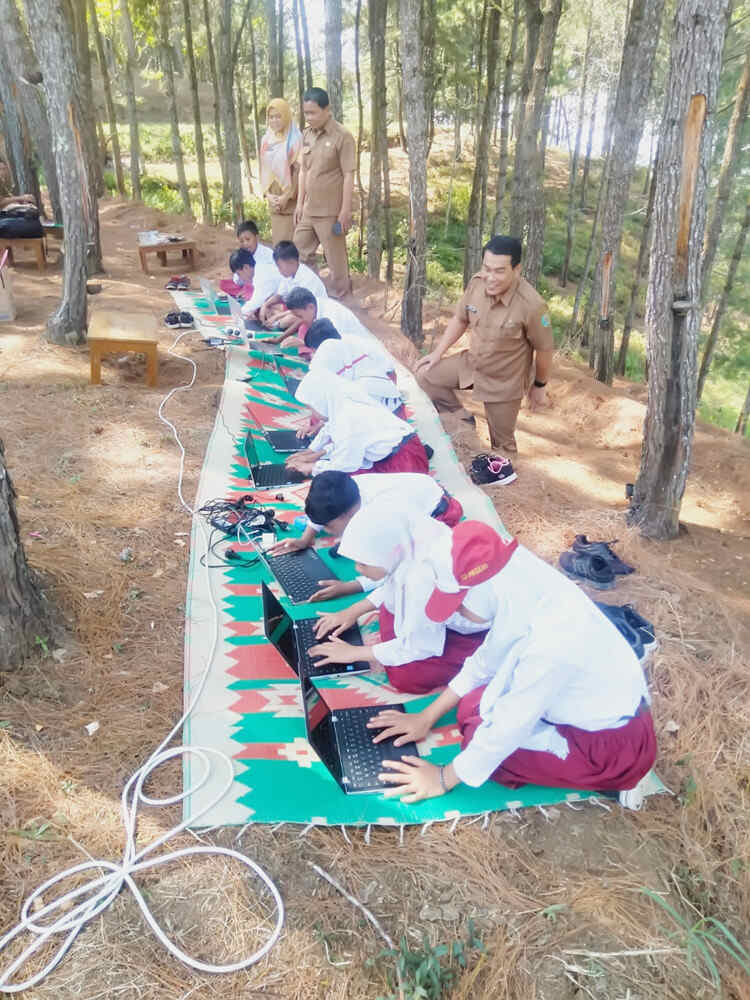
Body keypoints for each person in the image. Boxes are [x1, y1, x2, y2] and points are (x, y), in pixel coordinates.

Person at [367, 522, 657, 808]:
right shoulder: (516, 581)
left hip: (610, 748)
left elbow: (510, 725)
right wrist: (426, 717)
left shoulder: (551, 643)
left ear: (480, 589)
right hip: (582, 710)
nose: (460, 613)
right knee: (471, 708)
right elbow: (485, 661)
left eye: (459, 603)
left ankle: (614, 783)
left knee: (480, 746)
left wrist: (443, 777)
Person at [308, 506, 489, 693]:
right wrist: (353, 610)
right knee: (391, 612)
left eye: (363, 562)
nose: (357, 570)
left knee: (406, 676)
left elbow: (420, 646)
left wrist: (355, 653)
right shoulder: (407, 538)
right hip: (444, 606)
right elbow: (394, 579)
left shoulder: (421, 579)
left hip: (479, 627)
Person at [415, 236, 554, 456]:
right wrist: (437, 353)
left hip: (505, 383)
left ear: (516, 269)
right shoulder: (477, 284)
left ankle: (503, 482)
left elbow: (545, 348)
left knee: (502, 449)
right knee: (425, 375)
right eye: (486, 268)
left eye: (499, 271)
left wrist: (539, 385)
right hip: (473, 365)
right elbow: (461, 319)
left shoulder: (533, 306)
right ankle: (462, 421)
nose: (490, 277)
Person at [269, 470, 463, 600]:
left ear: (346, 515)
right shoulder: (345, 491)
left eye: (328, 526)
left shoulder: (382, 514)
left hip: (441, 511)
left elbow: (391, 566)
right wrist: (306, 538)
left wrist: (349, 587)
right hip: (419, 490)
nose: (327, 531)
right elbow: (323, 510)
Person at [286, 371, 429, 478]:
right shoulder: (341, 403)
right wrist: (312, 452)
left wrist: (311, 467)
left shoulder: (348, 418)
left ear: (321, 400)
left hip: (405, 463)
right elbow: (333, 431)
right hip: (401, 453)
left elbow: (344, 465)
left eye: (311, 407)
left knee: (345, 484)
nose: (312, 413)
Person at [293, 87, 355, 299]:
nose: (308, 118)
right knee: (299, 252)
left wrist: (345, 210)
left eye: (313, 113)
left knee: (336, 262)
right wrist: (300, 203)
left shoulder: (343, 136)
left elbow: (348, 175)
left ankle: (344, 300)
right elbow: (303, 170)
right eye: (306, 113)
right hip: (309, 209)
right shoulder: (307, 135)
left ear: (327, 109)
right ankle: (310, 297)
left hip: (331, 212)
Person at [305, 319, 404, 414]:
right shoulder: (348, 339)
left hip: (378, 402)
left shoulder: (332, 357)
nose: (314, 355)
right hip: (390, 396)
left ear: (323, 346)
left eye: (315, 351)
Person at [259, 98, 303, 244]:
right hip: (273, 200)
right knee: (278, 247)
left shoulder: (296, 139)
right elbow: (263, 169)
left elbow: (299, 171)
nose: (274, 121)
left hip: (291, 201)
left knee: (291, 249)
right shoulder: (266, 139)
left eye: (278, 116)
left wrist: (287, 196)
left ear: (286, 116)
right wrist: (268, 195)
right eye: (271, 117)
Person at [258, 241, 327, 331]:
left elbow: (302, 309)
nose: (278, 270)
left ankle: (277, 325)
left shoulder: (307, 279)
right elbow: (279, 296)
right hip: (297, 310)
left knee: (286, 321)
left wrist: (277, 317)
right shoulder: (288, 275)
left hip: (311, 313)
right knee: (270, 307)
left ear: (291, 262)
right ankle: (275, 322)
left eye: (279, 266)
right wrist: (265, 305)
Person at [236, 220, 281, 317]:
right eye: (241, 241)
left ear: (257, 238)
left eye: (248, 239)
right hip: (258, 286)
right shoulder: (244, 255)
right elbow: (237, 278)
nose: (245, 244)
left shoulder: (267, 256)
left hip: (270, 289)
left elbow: (265, 283)